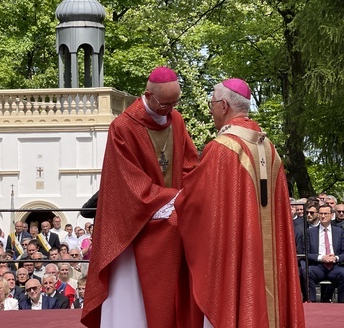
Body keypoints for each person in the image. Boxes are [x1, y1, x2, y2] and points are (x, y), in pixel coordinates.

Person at [176, 78, 305, 327]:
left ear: (224, 106)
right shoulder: (269, 147)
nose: (211, 108)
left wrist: (172, 199)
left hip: (238, 254)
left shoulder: (222, 148)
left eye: (212, 103)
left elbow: (196, 204)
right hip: (265, 252)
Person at [81, 66, 199, 328]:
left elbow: (190, 165)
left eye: (174, 103)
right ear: (148, 95)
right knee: (136, 307)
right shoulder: (122, 127)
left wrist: (191, 194)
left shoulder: (177, 121)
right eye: (165, 103)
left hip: (176, 220)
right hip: (137, 226)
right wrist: (172, 197)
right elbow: (127, 183)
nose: (169, 109)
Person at [302, 203, 344, 303]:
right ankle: (312, 302)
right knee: (306, 273)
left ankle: (342, 304)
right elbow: (305, 253)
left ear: (331, 215)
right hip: (318, 266)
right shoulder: (310, 232)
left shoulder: (339, 232)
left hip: (335, 266)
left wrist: (336, 258)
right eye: (321, 213)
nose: (323, 216)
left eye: (326, 213)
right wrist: (321, 258)